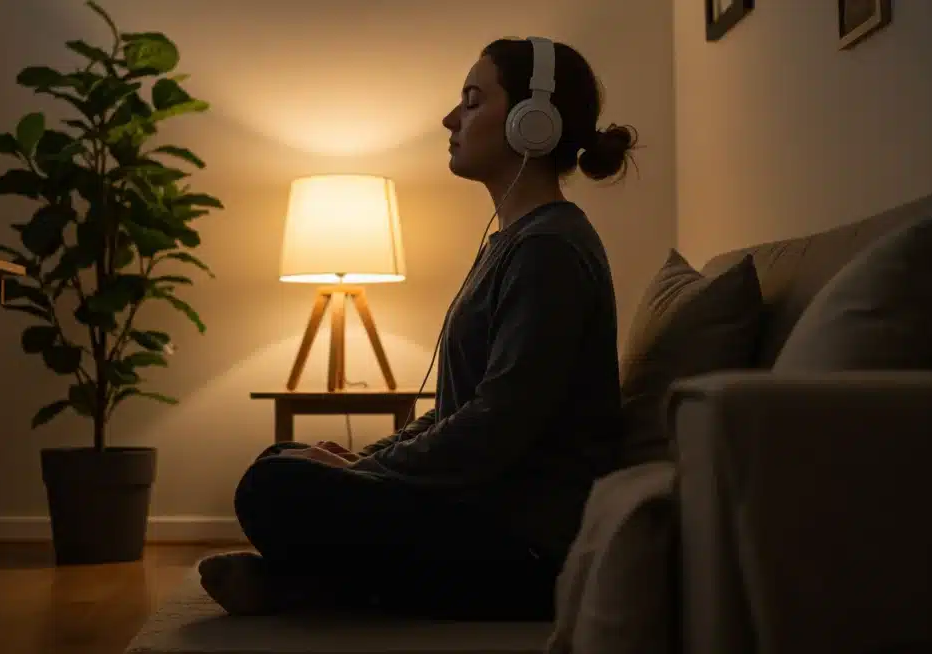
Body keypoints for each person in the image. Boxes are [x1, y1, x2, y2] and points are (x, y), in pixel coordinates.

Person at [198, 37, 637, 621]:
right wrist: (364, 457)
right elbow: (462, 407)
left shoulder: (549, 251)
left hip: (527, 547)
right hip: (481, 510)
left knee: (271, 489)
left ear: (534, 122)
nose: (450, 119)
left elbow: (497, 425)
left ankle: (305, 589)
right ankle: (314, 586)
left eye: (474, 101)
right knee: (286, 457)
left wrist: (368, 471)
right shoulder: (518, 242)